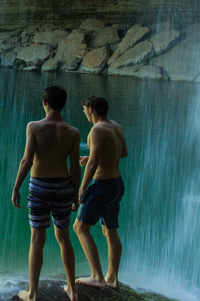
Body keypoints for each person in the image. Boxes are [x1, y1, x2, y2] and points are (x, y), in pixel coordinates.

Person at [12, 86, 81, 301]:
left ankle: (32, 293)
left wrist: (16, 187)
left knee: (37, 239)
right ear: (63, 104)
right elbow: (76, 168)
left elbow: (27, 160)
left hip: (39, 187)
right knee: (64, 237)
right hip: (63, 187)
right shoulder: (73, 132)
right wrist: (76, 193)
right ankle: (72, 289)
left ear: (45, 103)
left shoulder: (34, 127)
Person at [74, 95, 127, 290]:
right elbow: (122, 152)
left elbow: (95, 163)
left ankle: (97, 276)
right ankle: (112, 278)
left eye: (84, 109)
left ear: (92, 110)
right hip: (117, 184)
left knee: (79, 228)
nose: (84, 112)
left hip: (102, 186)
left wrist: (82, 187)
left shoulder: (96, 130)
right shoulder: (115, 126)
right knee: (109, 230)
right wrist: (93, 156)